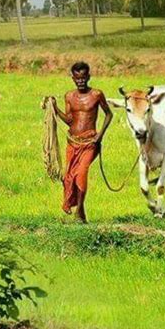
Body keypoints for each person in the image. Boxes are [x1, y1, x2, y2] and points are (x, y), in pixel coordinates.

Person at [50, 62, 112, 223]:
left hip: (90, 142)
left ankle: (78, 213)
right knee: (69, 177)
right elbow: (70, 120)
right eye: (77, 78)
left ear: (88, 77)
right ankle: (81, 215)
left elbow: (108, 114)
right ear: (73, 78)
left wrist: (101, 135)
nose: (81, 81)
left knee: (81, 173)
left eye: (83, 78)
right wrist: (54, 108)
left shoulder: (97, 94)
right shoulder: (69, 96)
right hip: (73, 141)